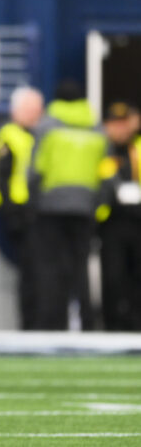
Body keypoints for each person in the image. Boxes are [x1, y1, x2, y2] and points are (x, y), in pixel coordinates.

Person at [31, 81, 105, 330]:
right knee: (80, 266)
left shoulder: (47, 126)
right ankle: (87, 321)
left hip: (51, 206)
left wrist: (34, 201)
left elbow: (35, 170)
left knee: (52, 266)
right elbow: (105, 172)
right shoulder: (96, 128)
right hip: (85, 205)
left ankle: (54, 323)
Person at [0, 87, 43, 329]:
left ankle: (32, 321)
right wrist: (12, 214)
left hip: (27, 209)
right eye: (33, 109)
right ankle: (28, 323)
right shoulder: (10, 136)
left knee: (33, 270)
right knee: (29, 270)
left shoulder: (32, 134)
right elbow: (4, 176)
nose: (37, 114)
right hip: (15, 210)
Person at [96, 102, 141, 330]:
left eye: (124, 124)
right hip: (111, 223)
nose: (120, 129)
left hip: (137, 222)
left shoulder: (137, 148)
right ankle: (112, 325)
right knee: (113, 277)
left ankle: (136, 325)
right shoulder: (100, 150)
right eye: (115, 124)